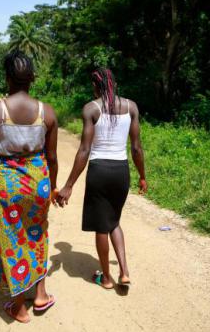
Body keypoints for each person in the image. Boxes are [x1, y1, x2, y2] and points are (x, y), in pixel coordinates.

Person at [0, 51, 59, 323]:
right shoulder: (47, 112)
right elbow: (53, 158)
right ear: (32, 77)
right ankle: (41, 295)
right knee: (38, 234)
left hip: (7, 183)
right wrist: (53, 187)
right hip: (39, 183)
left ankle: (20, 307)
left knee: (12, 240)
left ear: (7, 77)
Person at [57, 68, 148, 290]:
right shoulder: (131, 106)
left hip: (99, 171)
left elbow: (84, 149)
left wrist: (68, 185)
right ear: (114, 84)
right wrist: (143, 176)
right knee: (114, 220)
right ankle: (124, 272)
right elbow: (136, 148)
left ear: (95, 86)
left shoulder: (91, 108)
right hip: (121, 171)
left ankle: (106, 278)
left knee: (101, 225)